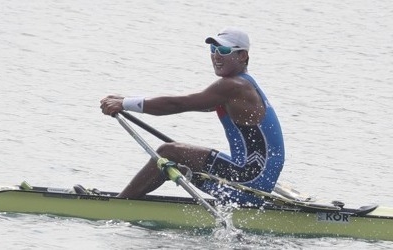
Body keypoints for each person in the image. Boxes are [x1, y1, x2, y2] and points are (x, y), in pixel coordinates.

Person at [100, 27, 285, 206]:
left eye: (224, 50)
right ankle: (127, 201)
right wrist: (126, 100)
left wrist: (124, 103)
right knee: (178, 159)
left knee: (168, 152)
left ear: (242, 56)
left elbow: (178, 104)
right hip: (257, 177)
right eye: (213, 49)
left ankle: (116, 206)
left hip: (249, 180)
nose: (216, 55)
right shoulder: (243, 86)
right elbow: (189, 103)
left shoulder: (234, 86)